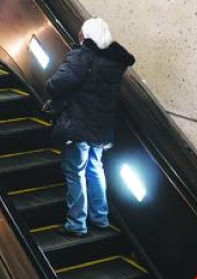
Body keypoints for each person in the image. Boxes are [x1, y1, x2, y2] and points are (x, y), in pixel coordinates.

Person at [45, 17, 134, 237]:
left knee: (75, 171)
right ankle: (100, 217)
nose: (79, 36)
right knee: (95, 168)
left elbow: (57, 85)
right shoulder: (114, 62)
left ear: (86, 35)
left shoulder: (82, 56)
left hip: (78, 125)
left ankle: (76, 223)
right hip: (101, 128)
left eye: (81, 33)